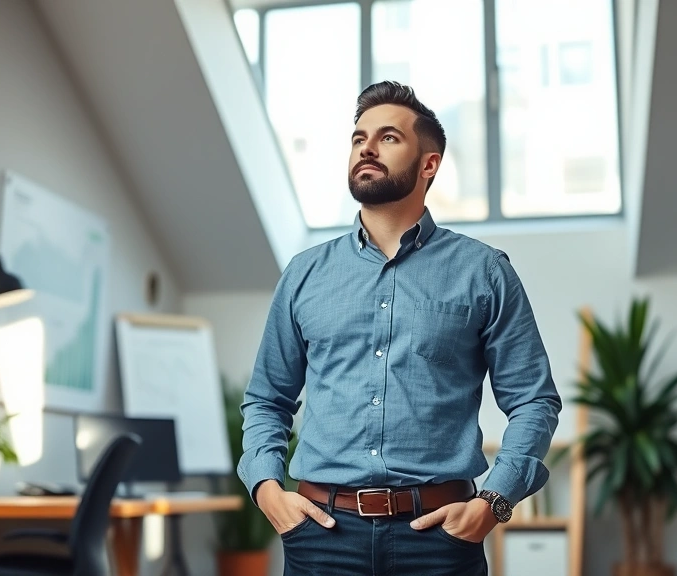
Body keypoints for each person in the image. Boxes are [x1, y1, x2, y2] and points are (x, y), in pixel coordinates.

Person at [237, 80, 561, 575]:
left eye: (388, 137)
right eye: (358, 137)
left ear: (429, 164)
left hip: (438, 541)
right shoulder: (304, 275)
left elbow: (534, 400)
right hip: (321, 538)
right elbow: (267, 399)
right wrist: (266, 489)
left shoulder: (483, 272)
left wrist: (493, 502)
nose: (366, 147)